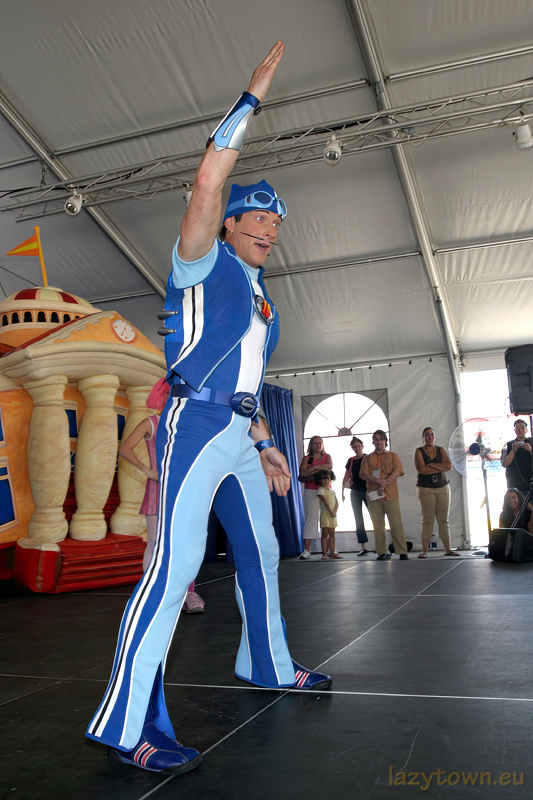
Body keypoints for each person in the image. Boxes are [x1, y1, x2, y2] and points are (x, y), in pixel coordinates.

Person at [86, 41, 331, 777]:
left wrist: (264, 441)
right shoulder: (199, 265)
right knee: (173, 569)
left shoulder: (265, 306)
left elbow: (246, 382)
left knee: (260, 551)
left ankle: (267, 664)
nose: (265, 226)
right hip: (190, 426)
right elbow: (204, 184)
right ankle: (124, 724)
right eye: (252, 215)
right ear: (228, 225)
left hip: (235, 432)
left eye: (274, 221)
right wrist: (250, 99)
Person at [118, 379, 205, 612]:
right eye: (172, 394)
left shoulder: (184, 424)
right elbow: (125, 448)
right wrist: (147, 470)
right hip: (157, 490)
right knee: (156, 545)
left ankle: (188, 594)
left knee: (185, 545)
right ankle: (151, 593)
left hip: (182, 489)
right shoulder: (151, 423)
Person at [359, 430, 409, 560]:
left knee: (396, 523)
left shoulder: (393, 456)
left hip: (390, 495)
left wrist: (384, 484)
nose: (379, 442)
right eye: (376, 439)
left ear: (385, 441)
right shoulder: (367, 458)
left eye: (381, 439)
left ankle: (402, 551)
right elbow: (364, 474)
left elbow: (397, 471)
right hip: (374, 497)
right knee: (378, 525)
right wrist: (378, 482)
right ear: (373, 442)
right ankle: (382, 552)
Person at [414, 427, 458, 558]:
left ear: (435, 437)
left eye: (432, 435)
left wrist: (431, 465)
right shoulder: (419, 451)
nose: (430, 437)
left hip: (442, 487)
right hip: (425, 489)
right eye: (427, 435)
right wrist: (439, 466)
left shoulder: (441, 450)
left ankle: (448, 549)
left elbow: (448, 466)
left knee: (443, 519)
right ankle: (424, 550)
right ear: (423, 437)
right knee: (427, 519)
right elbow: (421, 469)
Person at [298, 436, 333, 559]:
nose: (318, 445)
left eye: (320, 443)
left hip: (325, 490)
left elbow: (329, 466)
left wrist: (314, 468)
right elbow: (302, 473)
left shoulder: (327, 456)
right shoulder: (307, 458)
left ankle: (330, 549)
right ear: (311, 445)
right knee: (311, 520)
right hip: (311, 490)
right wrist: (315, 471)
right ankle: (306, 550)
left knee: (328, 519)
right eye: (315, 443)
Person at [342, 437, 369, 556]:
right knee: (358, 519)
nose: (357, 448)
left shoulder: (367, 458)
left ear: (362, 446)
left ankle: (381, 545)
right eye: (355, 447)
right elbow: (346, 475)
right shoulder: (351, 460)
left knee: (375, 516)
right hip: (355, 491)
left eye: (358, 446)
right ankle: (363, 547)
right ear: (352, 448)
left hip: (368, 490)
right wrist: (342, 490)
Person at [501, 419, 533, 493]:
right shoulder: (508, 445)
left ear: (526, 430)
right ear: (514, 430)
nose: (520, 430)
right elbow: (504, 464)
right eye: (517, 428)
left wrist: (530, 450)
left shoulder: (531, 442)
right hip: (515, 487)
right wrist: (513, 451)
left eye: (522, 427)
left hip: (530, 485)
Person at [315, 470, 341, 560]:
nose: (326, 481)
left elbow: (337, 502)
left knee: (332, 533)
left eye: (328, 478)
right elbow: (325, 501)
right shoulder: (320, 490)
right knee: (325, 533)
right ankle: (324, 553)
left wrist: (335, 512)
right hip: (326, 514)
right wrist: (331, 512)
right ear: (320, 480)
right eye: (323, 479)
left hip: (333, 515)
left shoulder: (332, 491)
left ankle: (332, 553)